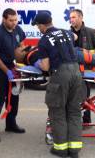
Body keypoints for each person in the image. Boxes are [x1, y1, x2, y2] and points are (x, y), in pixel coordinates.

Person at [32, 12, 85, 158]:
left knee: (58, 112)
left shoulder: (43, 40)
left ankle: (61, 149)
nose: (38, 28)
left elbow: (45, 66)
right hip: (76, 72)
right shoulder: (66, 32)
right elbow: (75, 37)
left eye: (38, 26)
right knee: (74, 111)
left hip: (60, 74)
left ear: (42, 25)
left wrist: (37, 63)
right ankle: (74, 150)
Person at [0, 8, 26, 143]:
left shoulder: (18, 30)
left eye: (15, 20)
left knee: (14, 99)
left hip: (13, 68)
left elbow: (22, 46)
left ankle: (11, 124)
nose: (14, 23)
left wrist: (22, 64)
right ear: (4, 19)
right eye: (11, 20)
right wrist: (6, 71)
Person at [69, 9, 95, 124]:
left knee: (84, 97)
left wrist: (89, 56)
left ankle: (86, 120)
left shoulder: (92, 33)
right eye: (70, 17)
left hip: (87, 71)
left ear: (81, 18)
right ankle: (75, 120)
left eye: (74, 17)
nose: (71, 20)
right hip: (72, 71)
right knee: (73, 97)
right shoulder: (68, 34)